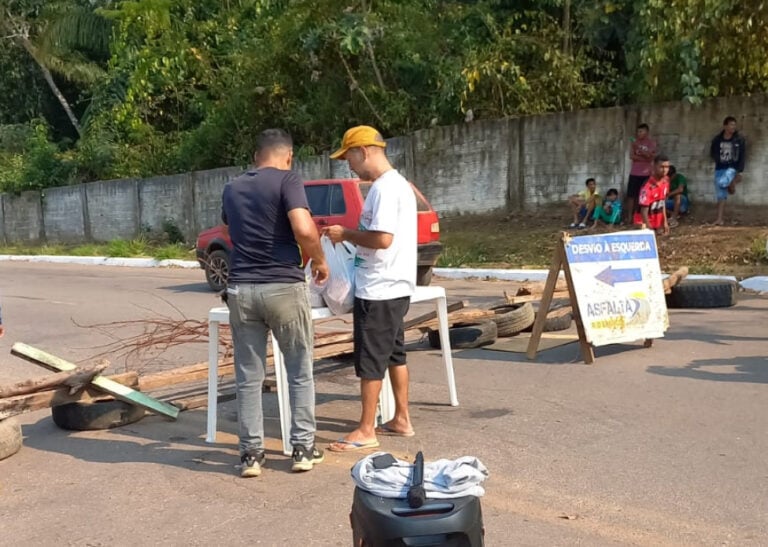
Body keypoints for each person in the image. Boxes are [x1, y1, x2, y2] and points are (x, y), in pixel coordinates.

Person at [221, 128, 329, 478]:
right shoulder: (288, 180)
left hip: (241, 290)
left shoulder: (232, 187)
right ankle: (302, 448)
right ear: (289, 156)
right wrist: (320, 260)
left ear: (256, 156)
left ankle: (251, 455)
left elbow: (229, 227)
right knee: (299, 371)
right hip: (282, 285)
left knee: (249, 377)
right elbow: (303, 227)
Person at [322, 125, 418, 452]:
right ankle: (401, 418)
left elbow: (382, 238)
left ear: (363, 151)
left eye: (348, 156)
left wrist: (345, 234)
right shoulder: (398, 185)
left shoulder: (385, 189)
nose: (348, 164)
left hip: (379, 288)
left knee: (371, 359)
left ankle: (366, 429)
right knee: (393, 353)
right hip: (394, 285)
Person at [710, 116, 746, 225]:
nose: (733, 127)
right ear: (725, 126)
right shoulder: (717, 139)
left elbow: (742, 155)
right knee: (721, 195)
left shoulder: (739, 139)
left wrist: (739, 170)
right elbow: (712, 152)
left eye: (734, 125)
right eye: (731, 125)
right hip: (720, 167)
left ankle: (734, 181)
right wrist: (717, 159)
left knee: (721, 183)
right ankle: (720, 219)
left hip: (732, 167)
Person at [625, 123, 657, 223]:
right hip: (634, 172)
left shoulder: (651, 143)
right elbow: (631, 156)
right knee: (631, 196)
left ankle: (640, 217)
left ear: (646, 132)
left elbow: (650, 157)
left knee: (643, 196)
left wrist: (639, 150)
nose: (639, 133)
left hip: (646, 174)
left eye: (641, 131)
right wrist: (643, 157)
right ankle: (630, 216)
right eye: (638, 131)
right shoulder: (634, 143)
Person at [633, 154, 670, 236]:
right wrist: (649, 229)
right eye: (661, 167)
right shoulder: (647, 186)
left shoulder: (666, 181)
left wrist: (665, 222)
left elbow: (662, 202)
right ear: (654, 166)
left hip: (656, 224)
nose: (664, 170)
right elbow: (643, 211)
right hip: (643, 223)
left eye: (667, 167)